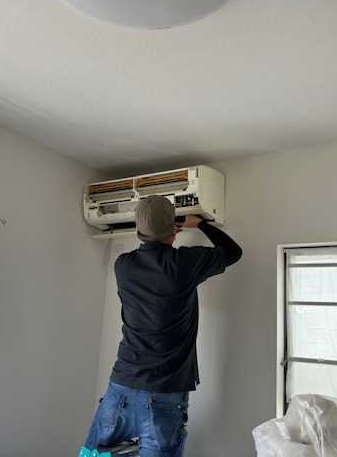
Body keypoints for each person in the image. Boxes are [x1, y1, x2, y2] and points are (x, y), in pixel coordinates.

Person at [80, 195, 243, 457]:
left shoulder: (123, 266)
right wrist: (200, 224)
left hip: (121, 386)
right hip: (164, 393)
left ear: (139, 231)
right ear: (173, 230)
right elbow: (233, 252)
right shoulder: (183, 264)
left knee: (95, 454)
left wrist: (164, 233)